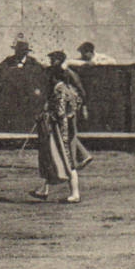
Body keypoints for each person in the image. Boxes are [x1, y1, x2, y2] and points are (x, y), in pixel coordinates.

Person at [31, 50, 87, 203]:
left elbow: (61, 113)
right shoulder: (69, 90)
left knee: (66, 159)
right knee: (53, 157)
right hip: (64, 128)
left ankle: (75, 193)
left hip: (62, 130)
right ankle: (44, 190)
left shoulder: (60, 90)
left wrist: (46, 115)